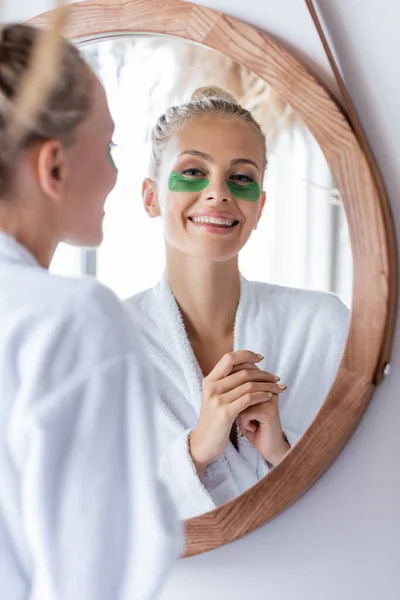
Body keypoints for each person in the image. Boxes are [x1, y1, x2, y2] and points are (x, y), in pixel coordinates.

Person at [0, 24, 181, 600]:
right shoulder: (72, 321)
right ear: (53, 168)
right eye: (108, 148)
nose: (116, 175)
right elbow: (93, 580)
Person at [125, 86, 350, 520]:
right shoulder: (106, 338)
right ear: (151, 197)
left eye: (241, 177)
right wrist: (197, 449)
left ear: (259, 208)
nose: (218, 192)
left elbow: (366, 495)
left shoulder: (323, 327)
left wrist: (282, 451)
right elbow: (95, 514)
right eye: (192, 171)